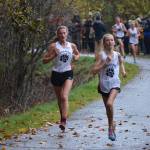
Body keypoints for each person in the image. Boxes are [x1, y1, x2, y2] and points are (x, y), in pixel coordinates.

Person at [43, 25, 80, 131]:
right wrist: (53, 56)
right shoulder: (53, 46)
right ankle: (62, 117)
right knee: (60, 99)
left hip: (68, 72)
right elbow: (44, 60)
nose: (62, 35)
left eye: (64, 33)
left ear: (67, 34)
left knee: (64, 96)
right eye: (60, 33)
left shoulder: (71, 45)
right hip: (56, 74)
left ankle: (63, 120)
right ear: (57, 35)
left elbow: (78, 55)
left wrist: (75, 57)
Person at [92, 33, 126, 141]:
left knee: (109, 103)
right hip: (103, 84)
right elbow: (93, 71)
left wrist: (124, 72)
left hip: (115, 83)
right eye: (108, 40)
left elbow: (121, 64)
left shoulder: (117, 54)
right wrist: (104, 63)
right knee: (108, 108)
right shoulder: (101, 55)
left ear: (114, 42)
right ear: (104, 43)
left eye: (112, 40)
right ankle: (112, 125)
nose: (110, 42)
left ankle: (110, 128)